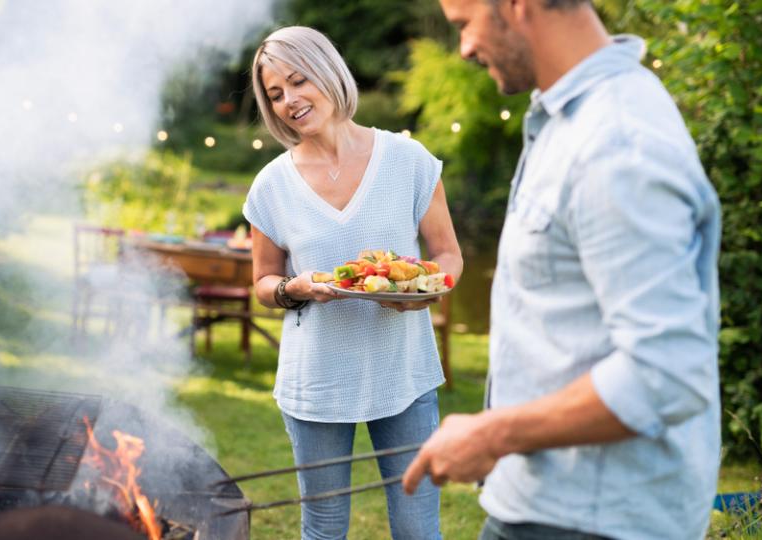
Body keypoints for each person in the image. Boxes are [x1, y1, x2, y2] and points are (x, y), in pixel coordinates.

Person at [402, 1, 722, 539]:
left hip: (591, 520)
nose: (464, 48)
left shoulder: (616, 141)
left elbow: (666, 371)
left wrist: (493, 434)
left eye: (464, 24)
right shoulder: (568, 120)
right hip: (544, 504)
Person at [243, 26, 463, 540]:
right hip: (316, 381)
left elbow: (447, 252)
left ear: (329, 73)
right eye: (275, 94)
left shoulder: (408, 161)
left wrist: (432, 289)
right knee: (323, 530)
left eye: (298, 82)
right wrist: (292, 288)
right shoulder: (272, 185)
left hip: (403, 373)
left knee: (417, 528)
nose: (289, 101)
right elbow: (262, 282)